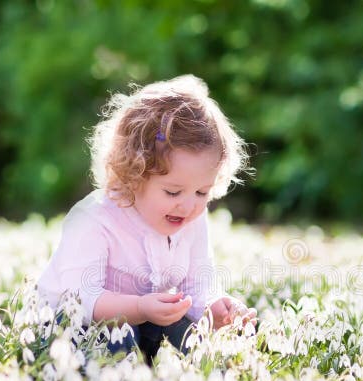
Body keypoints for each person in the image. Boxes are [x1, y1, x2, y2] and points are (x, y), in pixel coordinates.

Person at [37, 75, 256, 361]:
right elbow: (80, 299)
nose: (189, 206)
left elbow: (197, 284)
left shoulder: (191, 219)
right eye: (173, 191)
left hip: (146, 318)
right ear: (133, 174)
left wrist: (214, 306)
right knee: (116, 344)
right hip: (75, 325)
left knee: (189, 338)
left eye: (202, 192)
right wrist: (139, 308)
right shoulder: (94, 219)